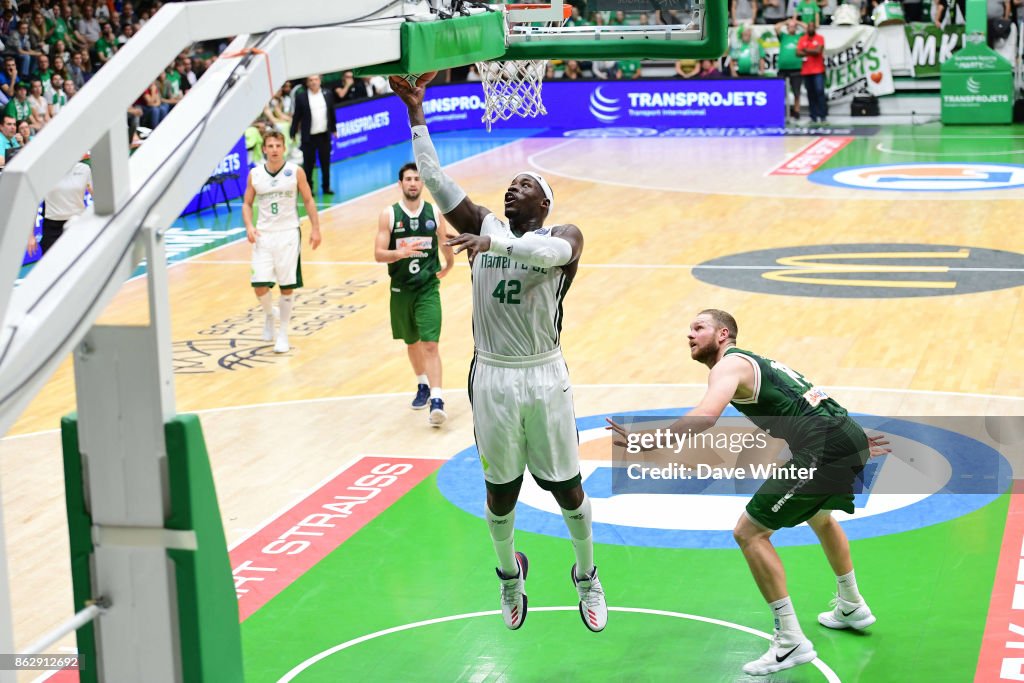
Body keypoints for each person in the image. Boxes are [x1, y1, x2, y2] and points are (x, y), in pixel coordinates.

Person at [390, 74, 608, 633]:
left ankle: (586, 575)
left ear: (544, 202)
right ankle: (510, 576)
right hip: (493, 375)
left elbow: (552, 251)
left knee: (568, 488)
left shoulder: (566, 233)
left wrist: (495, 242)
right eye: (511, 183)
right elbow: (436, 181)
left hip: (543, 373)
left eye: (526, 185)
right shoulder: (481, 224)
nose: (514, 189)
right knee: (500, 491)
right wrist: (417, 112)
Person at [607, 309, 890, 677]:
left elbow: (707, 416)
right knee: (819, 515)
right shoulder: (756, 362)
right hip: (842, 432)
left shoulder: (727, 366)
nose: (689, 335)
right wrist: (849, 436)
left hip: (824, 446)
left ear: (723, 333)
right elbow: (807, 396)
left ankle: (790, 642)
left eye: (698, 328)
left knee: (749, 533)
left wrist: (649, 440)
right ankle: (851, 603)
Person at [374, 162, 454, 425]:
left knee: (430, 343)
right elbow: (378, 254)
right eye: (408, 179)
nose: (412, 183)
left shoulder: (433, 212)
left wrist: (450, 263)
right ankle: (422, 383)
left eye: (417, 179)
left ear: (422, 184)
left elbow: (444, 241)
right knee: (412, 342)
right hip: (400, 289)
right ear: (400, 184)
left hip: (427, 287)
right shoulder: (389, 214)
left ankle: (438, 399)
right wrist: (398, 254)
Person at [242, 130, 322, 354]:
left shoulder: (295, 172)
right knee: (259, 284)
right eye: (271, 145)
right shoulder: (255, 174)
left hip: (288, 232)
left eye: (278, 145)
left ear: (284, 148)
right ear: (264, 149)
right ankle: (269, 314)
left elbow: (308, 199)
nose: (275, 149)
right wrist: (249, 226)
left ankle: (283, 333)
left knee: (286, 287)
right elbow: (247, 204)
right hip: (264, 234)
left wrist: (316, 228)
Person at [289, 75, 337, 195]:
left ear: (320, 81)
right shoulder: (301, 97)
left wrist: (334, 129)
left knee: (325, 163)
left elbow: (331, 112)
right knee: (309, 165)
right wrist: (293, 131)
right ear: (307, 83)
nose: (314, 82)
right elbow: (296, 116)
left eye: (316, 79)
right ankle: (309, 189)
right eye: (311, 80)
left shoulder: (327, 94)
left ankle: (326, 187)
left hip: (324, 135)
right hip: (308, 137)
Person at [36, 159, 92, 254]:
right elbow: (34, 201)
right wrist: (30, 236)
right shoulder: (44, 170)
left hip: (78, 223)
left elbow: (96, 194)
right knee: (51, 264)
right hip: (52, 226)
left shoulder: (85, 169)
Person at [775, 18, 806, 119]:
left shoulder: (800, 37)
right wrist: (786, 21)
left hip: (796, 68)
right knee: (780, 91)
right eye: (790, 27)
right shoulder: (783, 37)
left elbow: (807, 28)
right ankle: (780, 111)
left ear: (796, 28)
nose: (791, 28)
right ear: (787, 28)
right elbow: (776, 27)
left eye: (793, 27)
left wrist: (797, 22)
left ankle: (796, 111)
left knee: (796, 92)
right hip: (783, 68)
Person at [797, 22, 827, 124]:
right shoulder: (802, 39)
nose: (810, 28)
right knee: (810, 94)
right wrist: (811, 51)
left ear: (814, 28)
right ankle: (813, 116)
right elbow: (797, 53)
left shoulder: (820, 38)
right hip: (806, 71)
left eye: (812, 27)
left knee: (820, 92)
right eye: (808, 27)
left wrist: (805, 50)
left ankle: (823, 116)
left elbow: (818, 51)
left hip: (818, 70)